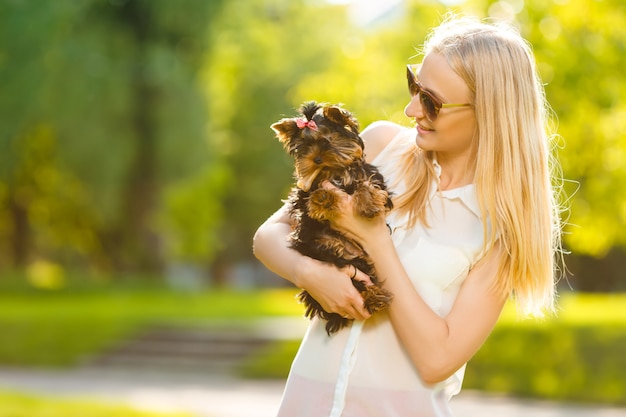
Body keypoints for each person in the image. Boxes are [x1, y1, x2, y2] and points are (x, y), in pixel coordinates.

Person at [253, 15, 564, 417]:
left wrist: (376, 241)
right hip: (306, 402)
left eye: (431, 101)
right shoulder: (381, 146)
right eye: (414, 85)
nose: (411, 108)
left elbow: (437, 359)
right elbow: (268, 236)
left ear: (489, 112)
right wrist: (310, 274)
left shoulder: (501, 231)